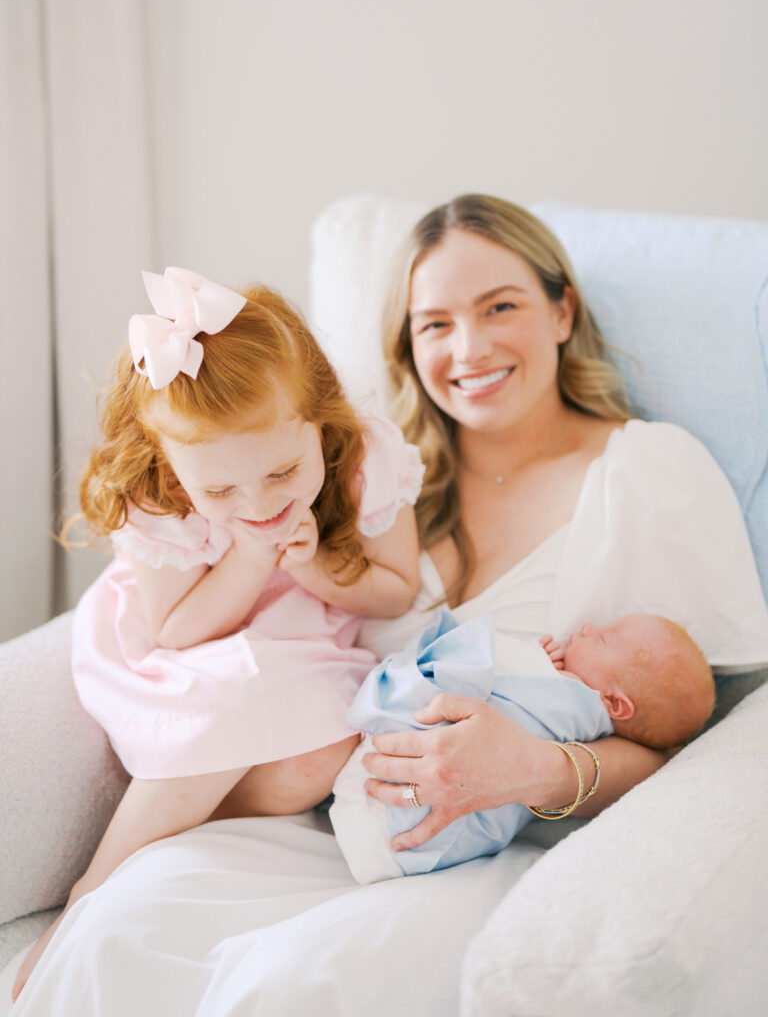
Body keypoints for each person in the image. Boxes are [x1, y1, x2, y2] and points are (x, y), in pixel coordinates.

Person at [7, 197, 768, 1016]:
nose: (468, 347)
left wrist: (539, 768)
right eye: (433, 323)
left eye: (500, 307)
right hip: (320, 812)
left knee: (293, 984)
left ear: (561, 310)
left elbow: (719, 731)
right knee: (121, 929)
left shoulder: (648, 471)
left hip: (485, 842)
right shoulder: (369, 479)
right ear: (407, 346)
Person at [10, 267, 423, 1002]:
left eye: (283, 472)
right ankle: (95, 885)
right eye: (221, 492)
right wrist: (252, 554)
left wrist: (319, 568)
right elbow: (175, 629)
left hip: (305, 637)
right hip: (186, 645)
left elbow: (396, 590)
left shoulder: (362, 458)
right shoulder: (156, 495)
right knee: (231, 697)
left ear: (319, 423)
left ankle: (182, 813)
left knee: (315, 762)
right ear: (172, 469)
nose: (259, 502)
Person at [330, 610, 715, 883]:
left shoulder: (571, 703)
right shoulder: (580, 718)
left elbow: (493, 681)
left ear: (614, 703)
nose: (585, 627)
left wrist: (533, 661)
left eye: (603, 637)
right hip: (409, 853)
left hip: (402, 816)